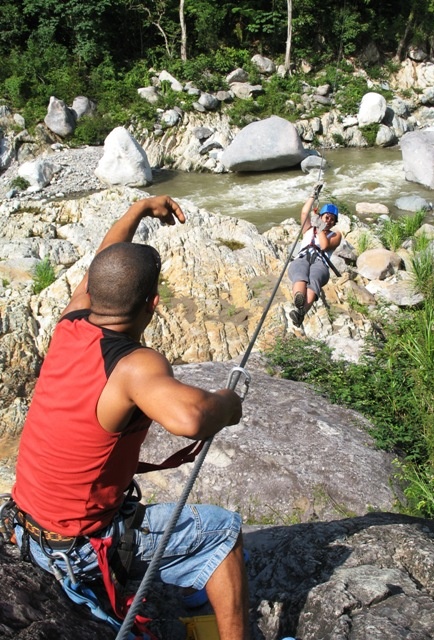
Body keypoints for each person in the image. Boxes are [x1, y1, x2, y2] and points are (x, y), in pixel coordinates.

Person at [11, 195, 250, 640]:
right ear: (153, 304)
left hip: (25, 529)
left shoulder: (70, 324)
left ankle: (191, 578)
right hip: (76, 550)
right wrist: (228, 403)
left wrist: (139, 209)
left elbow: (104, 261)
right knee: (223, 530)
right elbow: (190, 418)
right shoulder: (134, 365)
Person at [288, 188, 342, 327]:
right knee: (299, 271)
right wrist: (313, 195)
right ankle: (299, 298)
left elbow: (324, 246)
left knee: (314, 279)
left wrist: (321, 229)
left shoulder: (335, 235)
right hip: (302, 257)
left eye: (332, 219)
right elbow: (305, 212)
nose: (329, 220)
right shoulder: (308, 229)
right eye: (326, 217)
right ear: (321, 216)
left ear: (335, 222)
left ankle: (301, 312)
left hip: (320, 262)